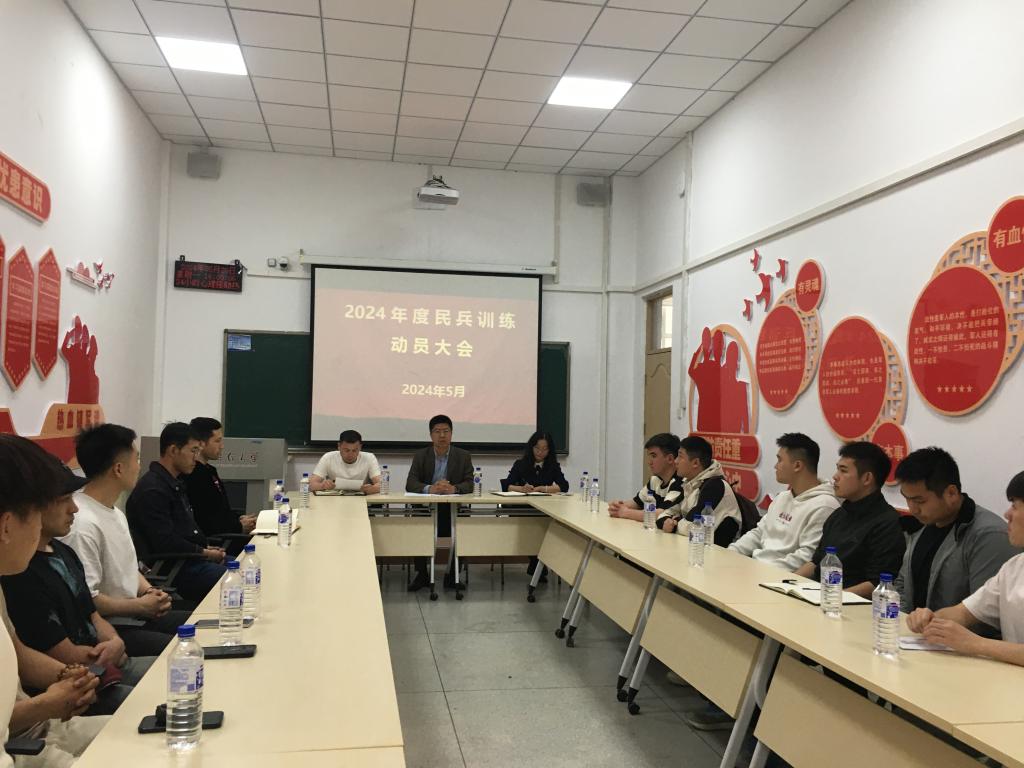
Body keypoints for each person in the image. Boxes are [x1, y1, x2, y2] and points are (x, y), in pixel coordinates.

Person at [1, 463, 155, 717]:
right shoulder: (19, 576)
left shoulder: (63, 552)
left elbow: (92, 614)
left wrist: (114, 642)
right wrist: (73, 681)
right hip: (78, 685)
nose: (74, 508)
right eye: (64, 500)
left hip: (91, 674)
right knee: (154, 703)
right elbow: (58, 656)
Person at [0, 435, 107, 768]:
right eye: (36, 515)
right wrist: (47, 703)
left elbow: (17, 652)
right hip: (22, 746)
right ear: (7, 526)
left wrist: (68, 678)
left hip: (42, 728)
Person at [63, 423, 191, 657]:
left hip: (136, 614)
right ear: (119, 469)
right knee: (186, 651)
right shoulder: (82, 524)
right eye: (137, 459)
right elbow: (88, 599)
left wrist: (150, 591)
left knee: (201, 625)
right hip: (112, 628)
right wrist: (139, 606)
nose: (139, 466)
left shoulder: (114, 512)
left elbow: (128, 569)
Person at [908, 471, 1024, 665]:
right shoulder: (1014, 567)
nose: (1007, 515)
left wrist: (976, 644)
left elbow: (974, 641)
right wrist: (931, 619)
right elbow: (964, 612)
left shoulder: (989, 533)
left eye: (1015, 506)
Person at [894, 447, 1018, 618]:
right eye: (907, 499)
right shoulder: (923, 525)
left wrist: (932, 624)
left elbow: (985, 613)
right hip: (912, 630)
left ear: (951, 493)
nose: (913, 509)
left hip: (952, 633)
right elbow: (903, 584)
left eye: (919, 501)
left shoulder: (989, 536)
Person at [126, 422, 226, 602]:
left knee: (247, 569)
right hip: (175, 568)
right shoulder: (153, 490)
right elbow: (165, 542)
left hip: (190, 559)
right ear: (173, 450)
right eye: (193, 451)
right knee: (238, 577)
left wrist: (205, 548)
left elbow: (184, 531)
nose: (196, 457)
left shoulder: (174, 483)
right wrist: (203, 552)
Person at [795, 441, 905, 597]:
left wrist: (832, 598)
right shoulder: (838, 514)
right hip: (820, 595)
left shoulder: (887, 522)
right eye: (837, 469)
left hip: (850, 604)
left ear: (867, 478)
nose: (835, 476)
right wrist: (788, 582)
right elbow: (816, 562)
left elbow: (878, 582)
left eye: (843, 470)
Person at [729, 433, 841, 569]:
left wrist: (761, 570)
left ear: (797, 465)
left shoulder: (825, 506)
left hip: (781, 577)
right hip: (756, 568)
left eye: (780, 460)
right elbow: (759, 533)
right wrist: (730, 553)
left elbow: (806, 556)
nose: (775, 466)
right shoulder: (782, 497)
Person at [405, 415, 474, 591]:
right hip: (426, 509)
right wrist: (431, 488)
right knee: (417, 526)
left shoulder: (463, 456)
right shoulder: (421, 455)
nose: (442, 435)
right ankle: (422, 575)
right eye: (437, 431)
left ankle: (453, 575)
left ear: (451, 433)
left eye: (446, 431)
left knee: (464, 526)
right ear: (431, 435)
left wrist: (454, 489)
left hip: (452, 508)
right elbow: (411, 483)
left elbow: (470, 483)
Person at [184, 417, 256, 556]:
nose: (222, 446)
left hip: (227, 534)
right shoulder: (194, 476)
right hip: (218, 543)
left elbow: (220, 510)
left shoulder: (210, 471)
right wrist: (239, 526)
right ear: (201, 443)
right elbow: (207, 521)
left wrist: (239, 519)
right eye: (217, 441)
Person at [662, 436, 742, 546]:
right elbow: (664, 514)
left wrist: (674, 523)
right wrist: (669, 521)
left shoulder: (715, 486)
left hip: (720, 551)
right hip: (696, 547)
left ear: (695, 463)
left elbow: (693, 527)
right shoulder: (690, 483)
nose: (676, 461)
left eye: (680, 457)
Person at [607, 433, 683, 524]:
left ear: (670, 459)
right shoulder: (655, 480)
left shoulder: (680, 482)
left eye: (654, 456)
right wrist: (616, 507)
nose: (649, 462)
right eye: (649, 456)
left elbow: (661, 514)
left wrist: (625, 512)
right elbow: (635, 503)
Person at [309, 429, 381, 494]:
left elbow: (382, 484)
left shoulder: (369, 458)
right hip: (334, 499)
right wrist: (322, 486)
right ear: (339, 446)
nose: (350, 454)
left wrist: (372, 489)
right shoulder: (328, 457)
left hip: (361, 498)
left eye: (354, 450)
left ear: (360, 447)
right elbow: (311, 485)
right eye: (346, 450)